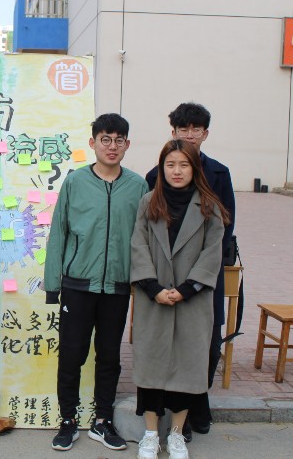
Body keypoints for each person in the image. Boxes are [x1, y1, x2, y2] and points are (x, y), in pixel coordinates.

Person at [43, 113, 148, 452]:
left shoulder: (138, 186)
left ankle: (103, 421)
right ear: (93, 143)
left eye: (118, 140)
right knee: (71, 355)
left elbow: (144, 238)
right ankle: (68, 420)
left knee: (109, 357)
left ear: (127, 144)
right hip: (77, 285)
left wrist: (143, 282)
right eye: (105, 139)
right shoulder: (75, 182)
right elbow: (58, 233)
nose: (111, 146)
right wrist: (53, 285)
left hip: (117, 286)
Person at [131, 140, 229, 459]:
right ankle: (150, 434)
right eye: (170, 164)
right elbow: (138, 246)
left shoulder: (209, 207)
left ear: (194, 168)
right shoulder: (149, 202)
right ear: (162, 168)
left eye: (184, 165)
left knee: (186, 369)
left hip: (192, 301)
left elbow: (213, 253)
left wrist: (186, 289)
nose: (177, 171)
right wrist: (153, 287)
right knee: (151, 367)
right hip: (153, 298)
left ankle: (176, 434)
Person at [145, 102, 236, 441]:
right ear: (173, 132)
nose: (190, 135)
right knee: (167, 346)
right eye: (183, 129)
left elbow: (226, 227)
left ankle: (197, 404)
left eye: (196, 129)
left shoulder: (219, 173)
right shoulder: (156, 174)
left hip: (203, 277)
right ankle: (174, 416)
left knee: (206, 345)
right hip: (164, 277)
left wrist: (202, 274)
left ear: (205, 133)